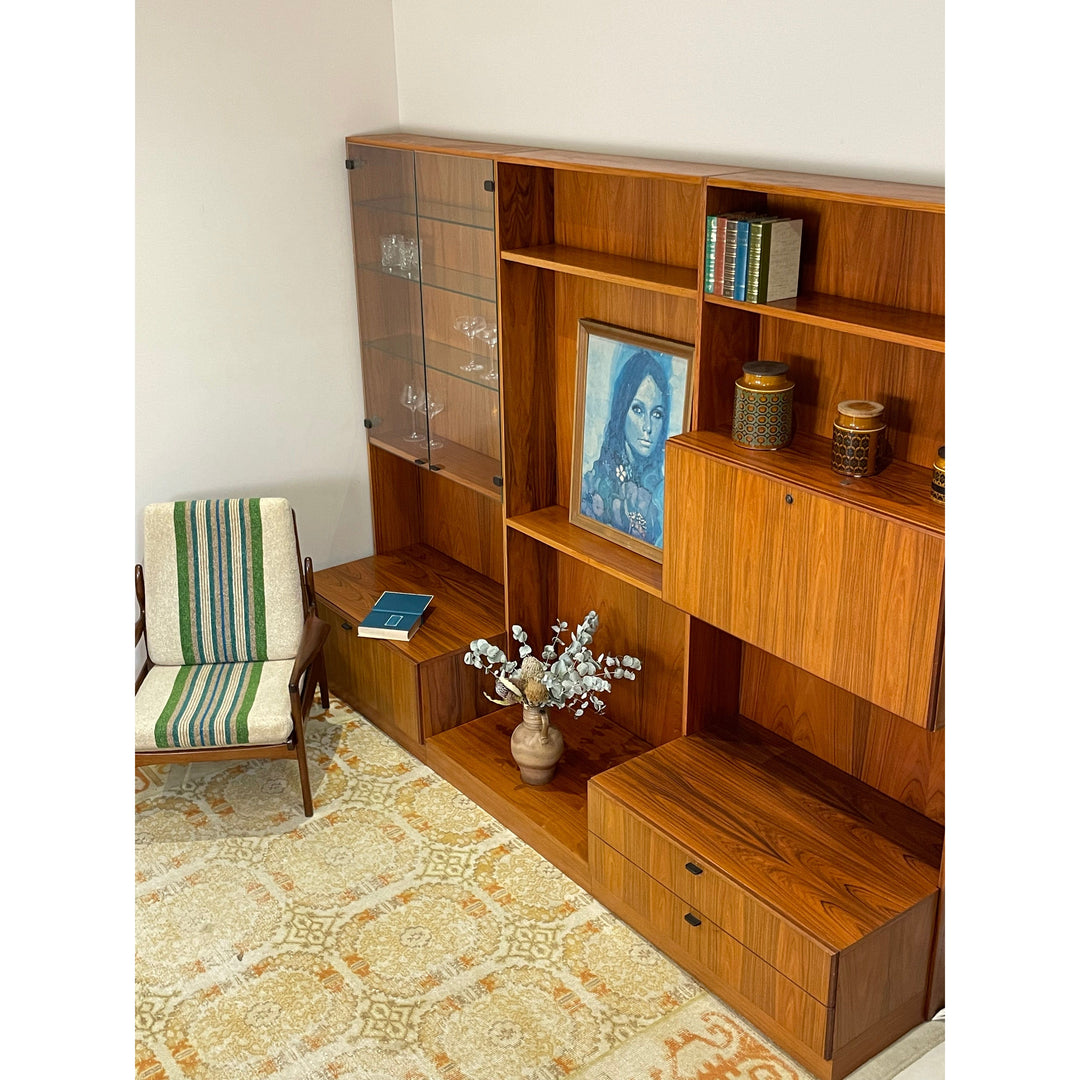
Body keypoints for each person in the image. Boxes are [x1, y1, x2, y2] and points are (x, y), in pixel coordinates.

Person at [579, 348, 671, 546]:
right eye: (638, 410)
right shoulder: (593, 481)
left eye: (657, 414)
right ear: (622, 410)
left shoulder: (664, 495)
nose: (648, 427)